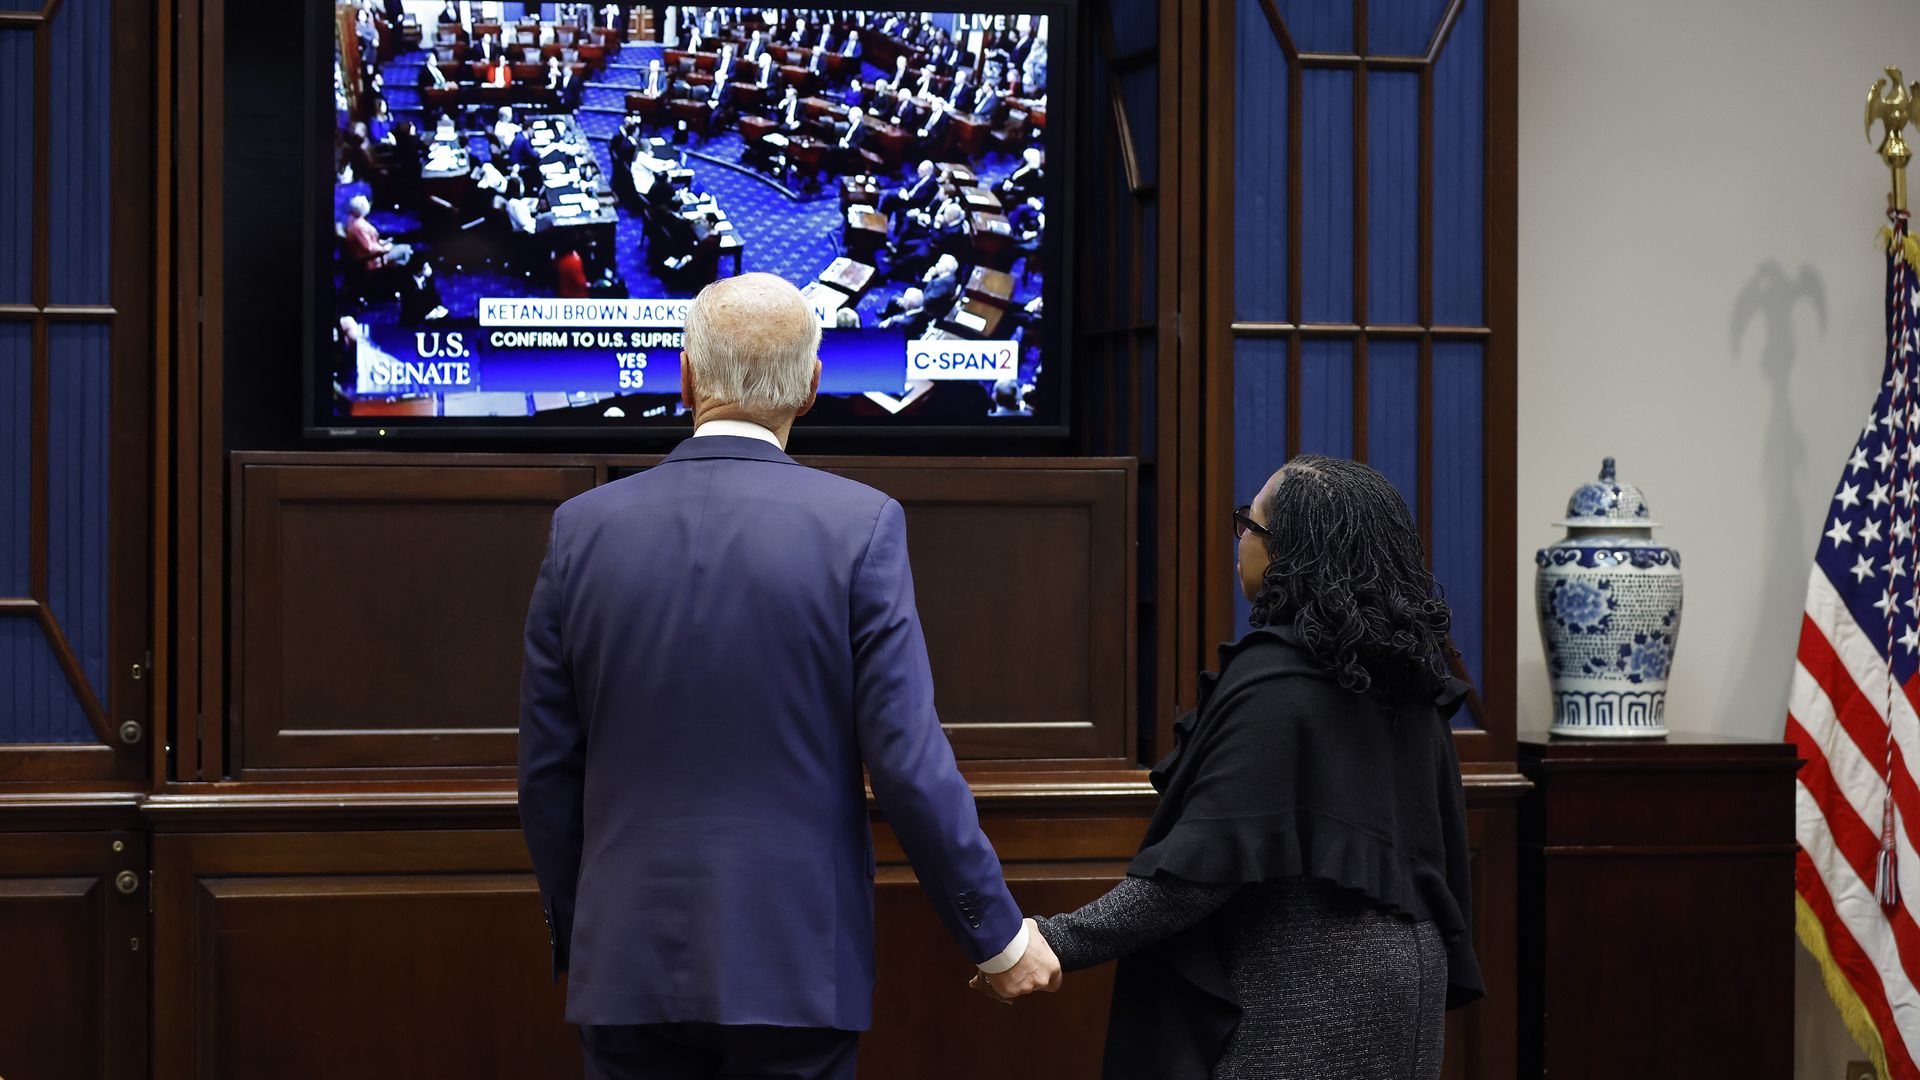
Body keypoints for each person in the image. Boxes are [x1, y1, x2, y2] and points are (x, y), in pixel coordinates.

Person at [520, 273, 1063, 1080]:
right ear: (812, 387)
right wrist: (997, 935)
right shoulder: (861, 528)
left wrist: (594, 931)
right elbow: (908, 765)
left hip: (624, 970)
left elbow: (547, 776)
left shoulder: (582, 530)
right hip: (794, 967)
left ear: (686, 377)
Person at [987, 455, 1484, 1080]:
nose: (1238, 540)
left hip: (1307, 1004)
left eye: (1248, 524)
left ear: (1287, 553)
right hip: (1409, 1000)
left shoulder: (1274, 681)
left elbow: (1199, 872)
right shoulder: (1411, 679)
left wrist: (1051, 940)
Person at [342, 194, 411, 270]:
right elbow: (369, 248)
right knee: (406, 249)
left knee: (403, 251)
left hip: (376, 253)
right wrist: (385, 248)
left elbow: (370, 242)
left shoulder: (355, 221)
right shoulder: (358, 226)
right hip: (372, 260)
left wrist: (382, 242)